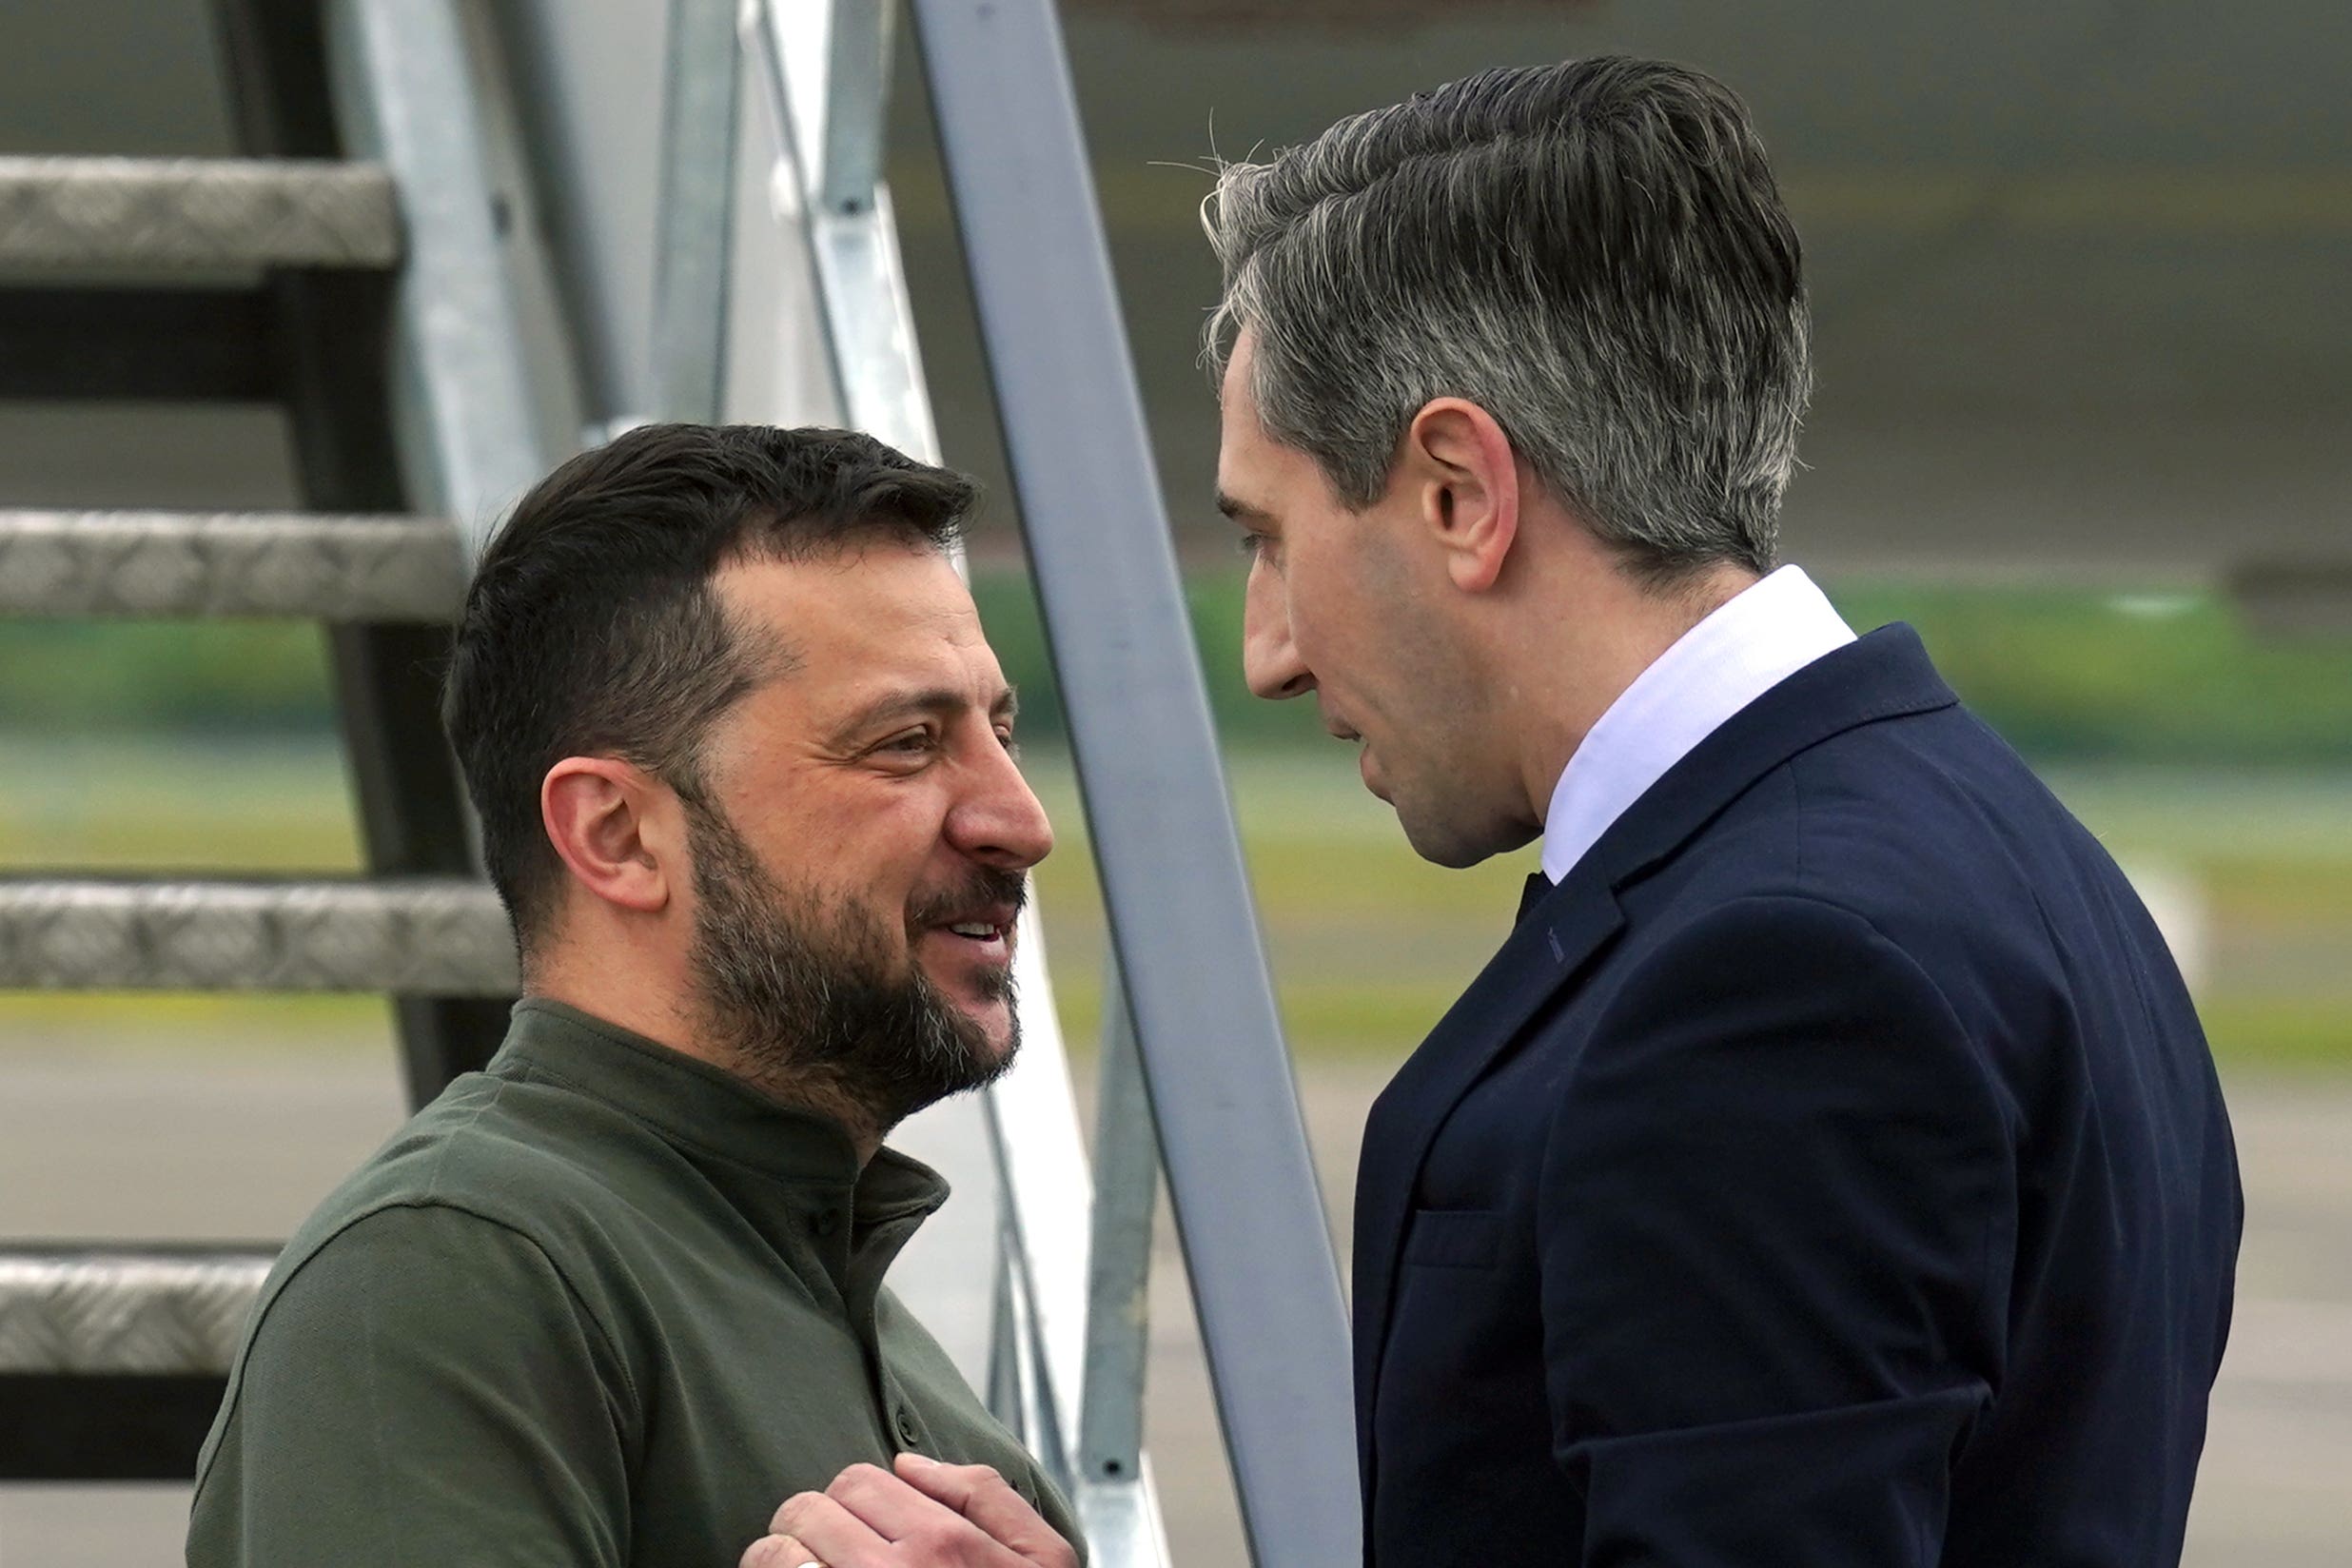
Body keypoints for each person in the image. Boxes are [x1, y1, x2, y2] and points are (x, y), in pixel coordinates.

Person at [1201, 55, 2243, 1567]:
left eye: (1272, 539)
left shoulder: (1778, 976)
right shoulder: (2008, 855)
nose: (1269, 652)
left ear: (1457, 494)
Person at [186, 423, 1080, 1568]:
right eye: (907, 743)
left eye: (999, 733)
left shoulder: (879, 1347)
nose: (1019, 820)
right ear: (617, 834)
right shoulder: (450, 1280)